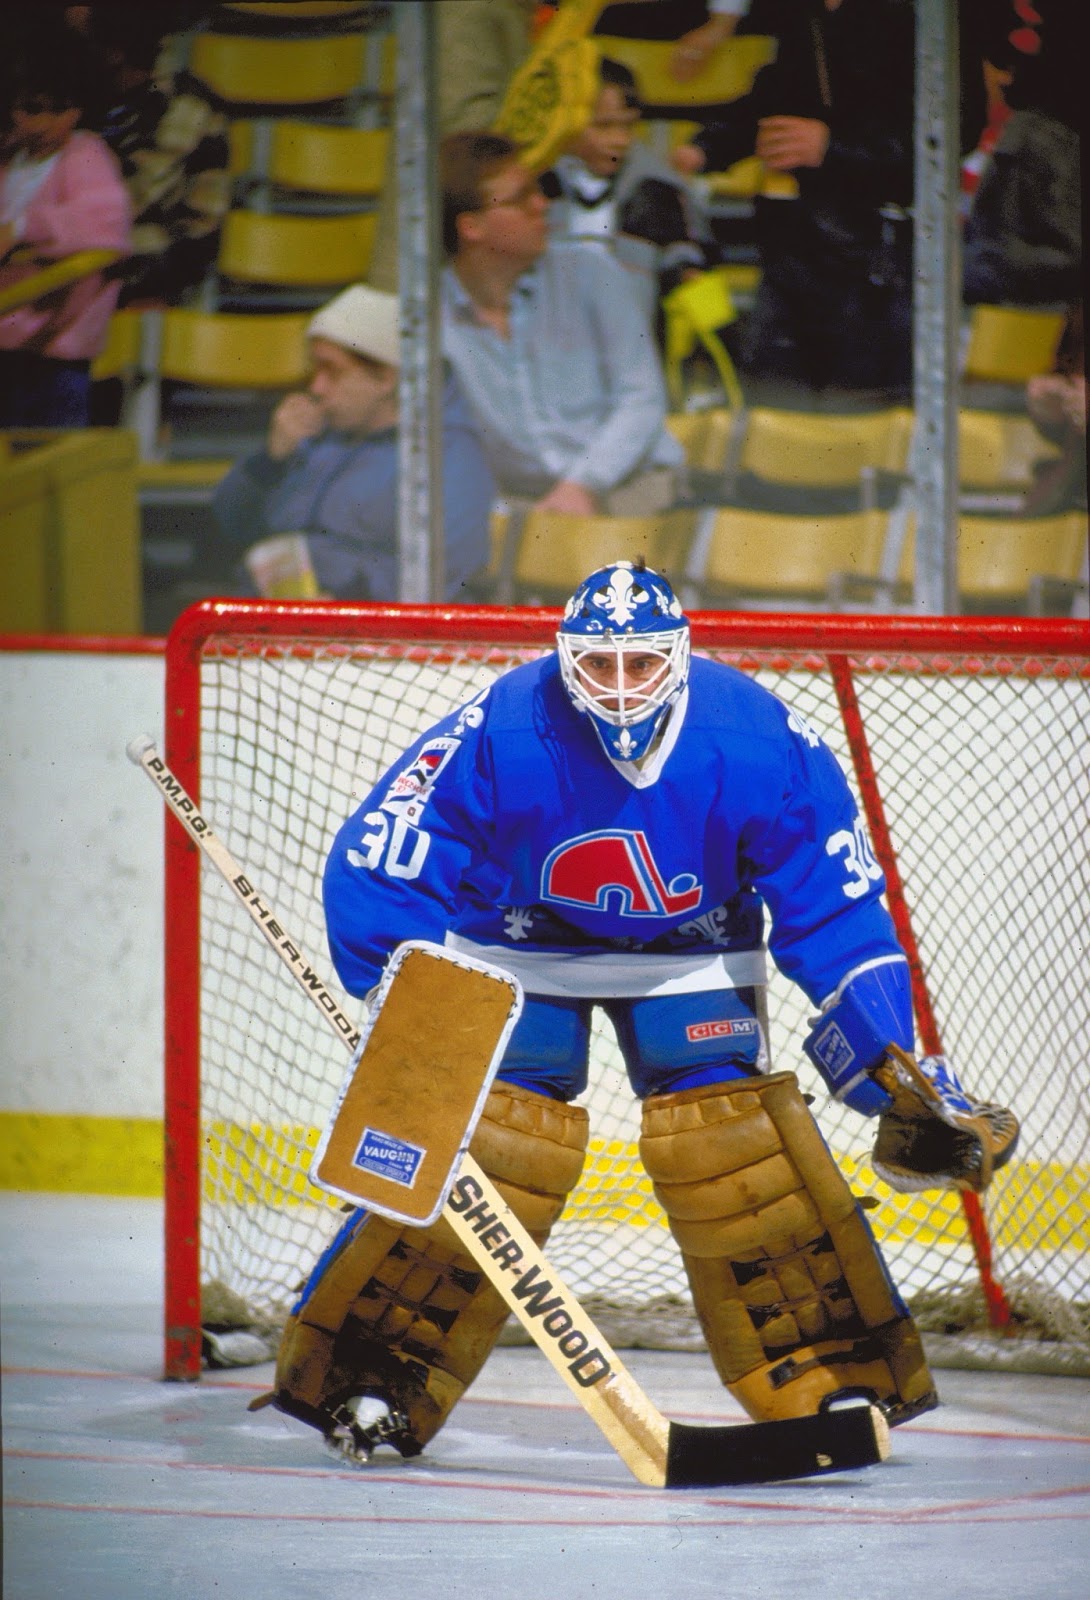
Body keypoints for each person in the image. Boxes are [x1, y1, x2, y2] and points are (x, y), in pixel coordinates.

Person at [260, 559, 1019, 1464]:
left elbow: (837, 907)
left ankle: (827, 1374)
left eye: (643, 663)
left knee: (737, 1147)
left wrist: (892, 1064)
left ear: (680, 656)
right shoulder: (504, 724)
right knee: (491, 1145)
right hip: (517, 942)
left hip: (692, 946)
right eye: (598, 664)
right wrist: (404, 999)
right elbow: (386, 851)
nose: (620, 686)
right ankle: (367, 1374)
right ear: (565, 657)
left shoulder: (757, 736)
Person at [671, 0, 915, 401]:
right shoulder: (807, 18)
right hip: (798, 249)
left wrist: (833, 148)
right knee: (772, 402)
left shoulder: (916, 19)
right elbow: (771, 102)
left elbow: (945, 142)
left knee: (861, 408)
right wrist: (703, 149)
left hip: (879, 259)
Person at [440, 130, 684, 520]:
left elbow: (641, 397)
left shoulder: (595, 273)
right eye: (521, 199)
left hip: (629, 485)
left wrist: (583, 484)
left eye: (538, 190)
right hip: (521, 504)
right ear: (472, 227)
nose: (542, 204)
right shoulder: (427, 320)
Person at [212, 284, 495, 602]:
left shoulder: (446, 453)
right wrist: (269, 460)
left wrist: (348, 596)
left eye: (331, 371)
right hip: (275, 608)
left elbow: (443, 572)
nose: (316, 388)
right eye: (315, 370)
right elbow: (229, 526)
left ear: (385, 378)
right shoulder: (315, 437)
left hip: (369, 623)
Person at [0, 36, 131, 427]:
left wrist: (22, 227)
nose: (45, 123)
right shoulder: (8, 157)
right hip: (5, 338)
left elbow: (105, 225)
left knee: (54, 446)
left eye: (60, 110)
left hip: (57, 342)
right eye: (31, 110)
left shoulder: (85, 153)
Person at [543, 56, 718, 330]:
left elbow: (688, 258)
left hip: (629, 338)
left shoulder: (656, 191)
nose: (620, 140)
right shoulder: (535, 188)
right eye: (603, 126)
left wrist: (690, 279)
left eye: (628, 126)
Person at [84, 9, 231, 308]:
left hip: (162, 252)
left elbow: (136, 198)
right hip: (97, 243)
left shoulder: (183, 100)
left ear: (114, 53)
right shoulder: (90, 95)